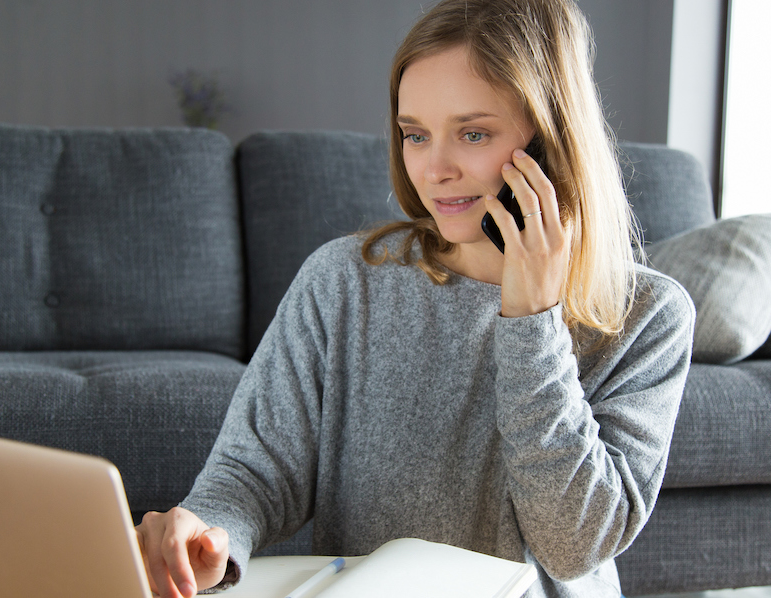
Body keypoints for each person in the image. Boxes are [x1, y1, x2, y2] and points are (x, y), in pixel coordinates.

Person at [136, 0, 694, 596]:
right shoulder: (342, 281)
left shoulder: (647, 316)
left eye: (473, 133)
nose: (434, 169)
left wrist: (533, 323)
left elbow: (573, 543)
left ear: (552, 144)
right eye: (415, 135)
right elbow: (252, 472)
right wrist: (208, 534)